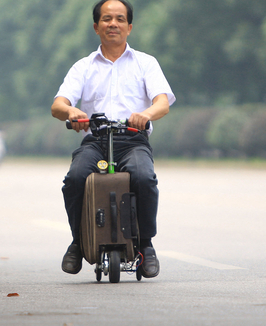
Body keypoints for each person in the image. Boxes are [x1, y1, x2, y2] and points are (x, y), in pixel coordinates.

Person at [51, 0, 175, 278]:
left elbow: (162, 102)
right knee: (74, 179)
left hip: (133, 140)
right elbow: (57, 105)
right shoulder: (83, 66)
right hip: (95, 141)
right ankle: (77, 242)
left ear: (129, 27)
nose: (113, 24)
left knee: (144, 177)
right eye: (106, 19)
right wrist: (72, 111)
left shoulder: (146, 63)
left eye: (120, 19)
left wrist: (145, 114)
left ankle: (146, 245)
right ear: (96, 27)